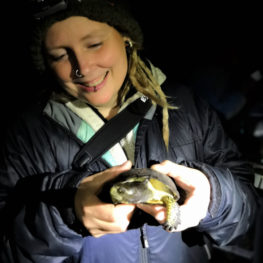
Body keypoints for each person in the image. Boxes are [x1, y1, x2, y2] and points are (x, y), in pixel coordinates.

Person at [0, 0, 258, 262]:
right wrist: (65, 214)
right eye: (60, 55)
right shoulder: (26, 133)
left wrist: (215, 196)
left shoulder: (185, 105)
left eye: (94, 44)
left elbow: (248, 212)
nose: (83, 68)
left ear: (125, 37)